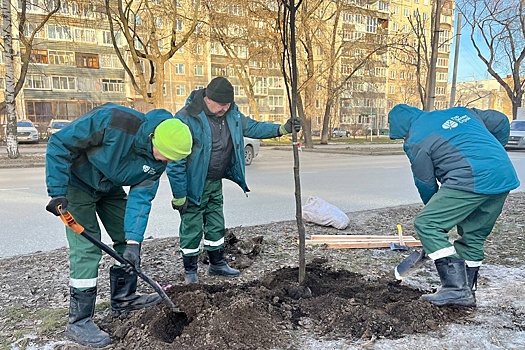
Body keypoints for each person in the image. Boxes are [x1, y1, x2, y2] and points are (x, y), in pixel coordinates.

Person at [45, 103, 192, 348]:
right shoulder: (112, 120)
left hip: (109, 187)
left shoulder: (157, 163)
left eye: (170, 159)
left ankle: (124, 299)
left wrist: (134, 243)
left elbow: (140, 200)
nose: (165, 161)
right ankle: (79, 321)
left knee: (126, 238)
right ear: (154, 137)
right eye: (164, 154)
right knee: (87, 248)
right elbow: (60, 143)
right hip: (77, 183)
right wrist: (57, 191)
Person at [167, 76, 301, 284]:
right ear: (208, 99)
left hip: (214, 182)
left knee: (216, 224)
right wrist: (179, 194)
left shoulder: (231, 114)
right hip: (194, 184)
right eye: (221, 104)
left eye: (228, 104)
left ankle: (217, 264)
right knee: (191, 226)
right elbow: (175, 160)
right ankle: (190, 270)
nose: (225, 108)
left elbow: (253, 128)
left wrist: (281, 129)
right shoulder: (186, 117)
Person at [388, 104, 519, 307]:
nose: (404, 140)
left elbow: (426, 183)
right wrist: (494, 153)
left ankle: (456, 290)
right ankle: (468, 291)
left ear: (403, 129)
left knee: (427, 223)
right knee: (473, 234)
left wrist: (437, 218)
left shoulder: (415, 140)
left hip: (470, 178)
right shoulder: (463, 112)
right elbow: (501, 120)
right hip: (503, 175)